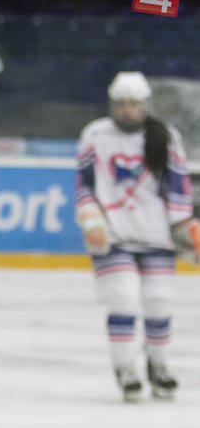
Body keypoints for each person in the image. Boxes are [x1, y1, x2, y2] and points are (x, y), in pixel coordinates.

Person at [75, 70, 200, 401]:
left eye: (133, 103)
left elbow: (178, 186)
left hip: (157, 236)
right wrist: (91, 219)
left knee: (160, 302)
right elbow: (84, 186)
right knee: (123, 298)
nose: (127, 110)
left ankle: (159, 367)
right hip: (114, 236)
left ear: (144, 104)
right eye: (121, 103)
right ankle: (126, 369)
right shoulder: (95, 135)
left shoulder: (165, 136)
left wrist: (183, 225)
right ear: (112, 104)